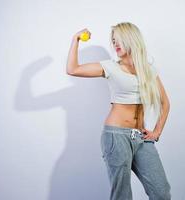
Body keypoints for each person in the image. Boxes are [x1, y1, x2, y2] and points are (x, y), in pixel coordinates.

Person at [66, 22, 171, 200]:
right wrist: (75, 39)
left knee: (161, 192)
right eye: (113, 41)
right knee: (122, 195)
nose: (115, 44)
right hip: (116, 135)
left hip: (141, 137)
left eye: (119, 40)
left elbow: (165, 103)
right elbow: (73, 69)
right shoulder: (110, 67)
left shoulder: (148, 70)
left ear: (131, 40)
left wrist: (157, 132)